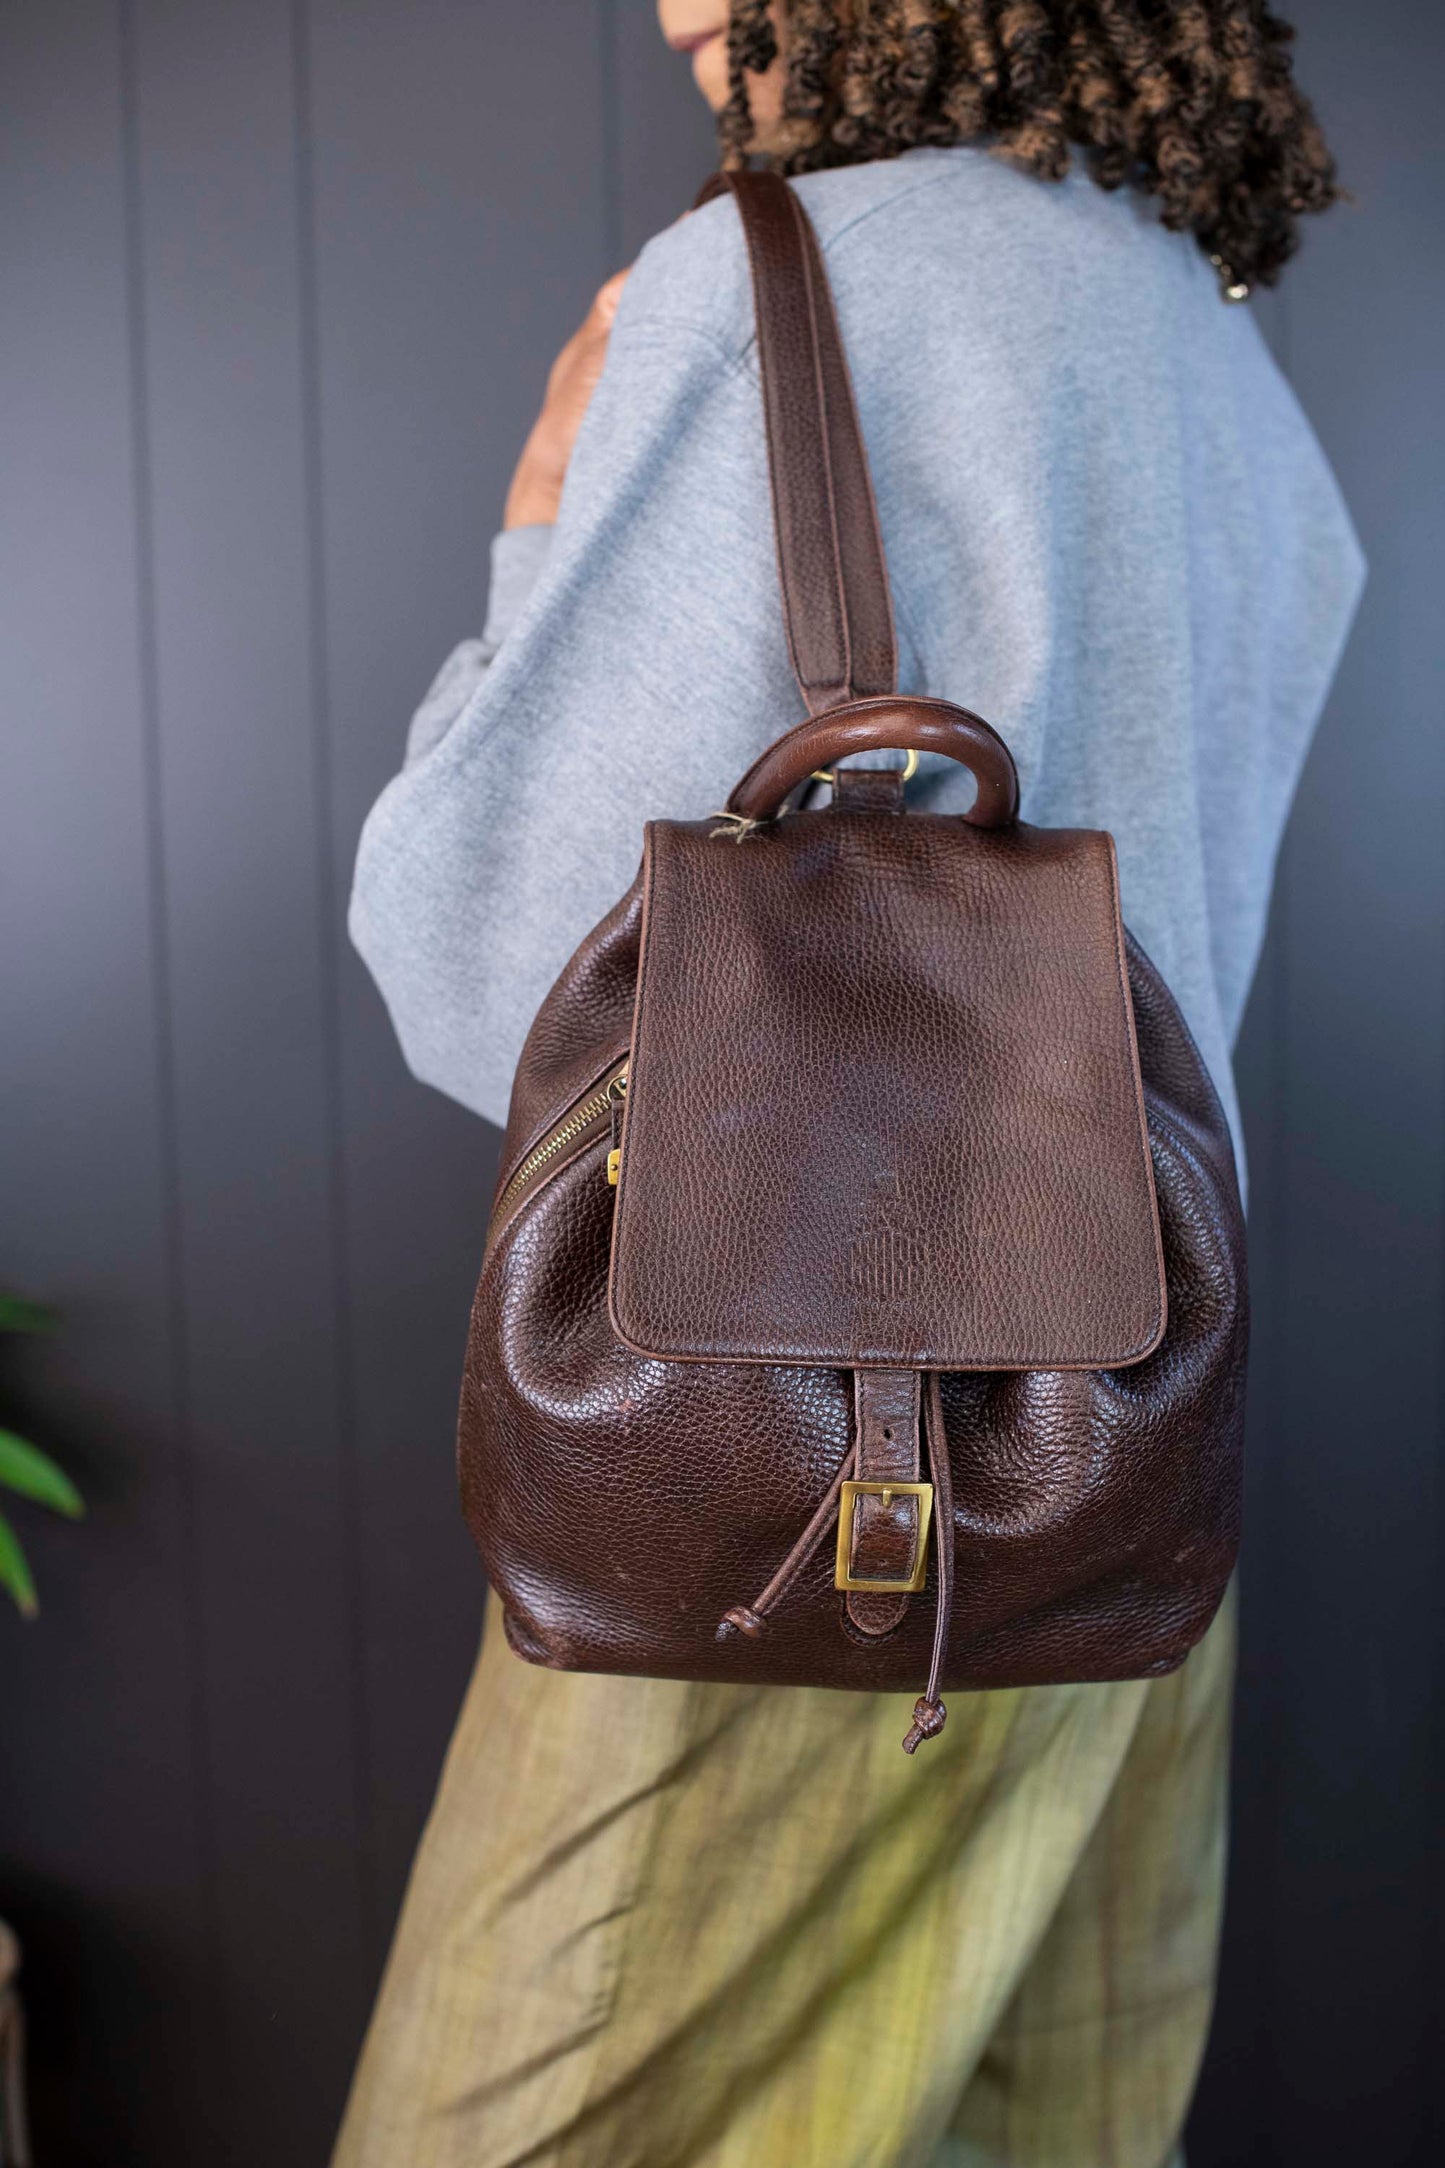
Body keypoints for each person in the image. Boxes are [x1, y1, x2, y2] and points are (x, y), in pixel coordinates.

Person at [335, 5, 1364, 2163]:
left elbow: (477, 969)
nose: (673, 10)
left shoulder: (784, 280)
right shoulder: (1219, 354)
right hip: (1130, 1499)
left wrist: (537, 546)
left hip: (785, 1496)